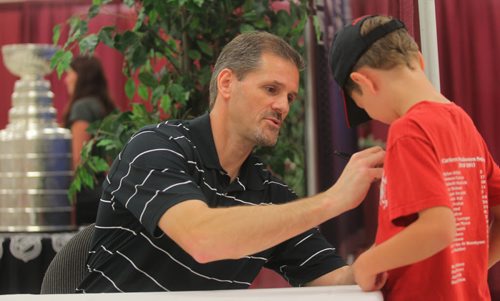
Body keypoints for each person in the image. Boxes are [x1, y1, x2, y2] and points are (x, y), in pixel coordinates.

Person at [77, 31, 385, 293]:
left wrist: (389, 254)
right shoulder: (155, 147)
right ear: (226, 83)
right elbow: (202, 238)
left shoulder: (268, 192)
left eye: (290, 97)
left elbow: (336, 280)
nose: (282, 106)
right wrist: (334, 199)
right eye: (271, 89)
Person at [329, 15, 500, 300]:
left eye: (363, 107)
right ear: (419, 60)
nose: (372, 116)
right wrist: (476, 268)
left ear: (365, 82)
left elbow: (438, 228)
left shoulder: (407, 130)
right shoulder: (462, 122)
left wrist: (367, 263)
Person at [62, 55, 116, 225]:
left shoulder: (82, 107)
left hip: (87, 194)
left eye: (70, 73)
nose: (66, 79)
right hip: (107, 191)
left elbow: (79, 161)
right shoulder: (108, 107)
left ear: (81, 77)